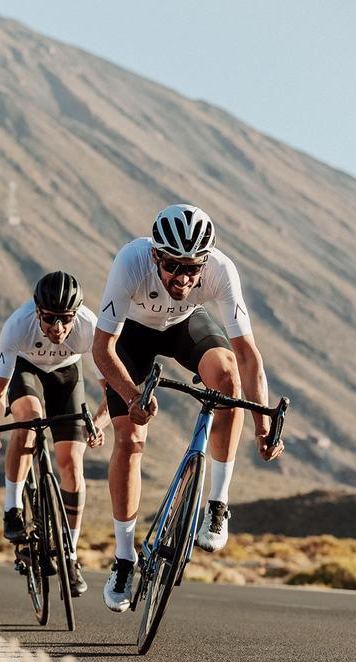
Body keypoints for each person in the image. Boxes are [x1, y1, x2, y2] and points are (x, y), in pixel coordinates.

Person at [92, 204, 284, 612]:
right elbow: (102, 348)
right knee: (130, 440)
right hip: (133, 337)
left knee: (229, 378)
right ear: (156, 256)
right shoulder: (130, 261)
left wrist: (262, 423)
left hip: (185, 327)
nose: (182, 278)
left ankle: (217, 503)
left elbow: (249, 357)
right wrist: (131, 397)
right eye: (173, 266)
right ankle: (124, 559)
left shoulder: (221, 270)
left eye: (192, 268)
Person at [0, 270, 108, 597]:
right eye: (50, 319)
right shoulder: (17, 325)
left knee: (71, 464)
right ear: (37, 311)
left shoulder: (90, 328)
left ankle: (71, 554)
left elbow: (111, 390)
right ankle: (13, 508)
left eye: (66, 319)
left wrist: (99, 423)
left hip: (67, 376)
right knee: (30, 421)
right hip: (26, 371)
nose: (58, 328)